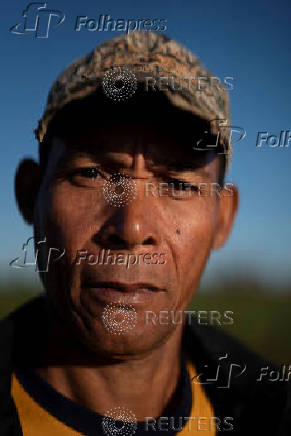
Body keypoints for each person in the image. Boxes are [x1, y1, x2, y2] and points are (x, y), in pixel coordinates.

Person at [0, 31, 289, 436]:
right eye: (90, 174)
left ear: (223, 217)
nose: (132, 229)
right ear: (31, 195)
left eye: (178, 183)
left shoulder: (270, 411)